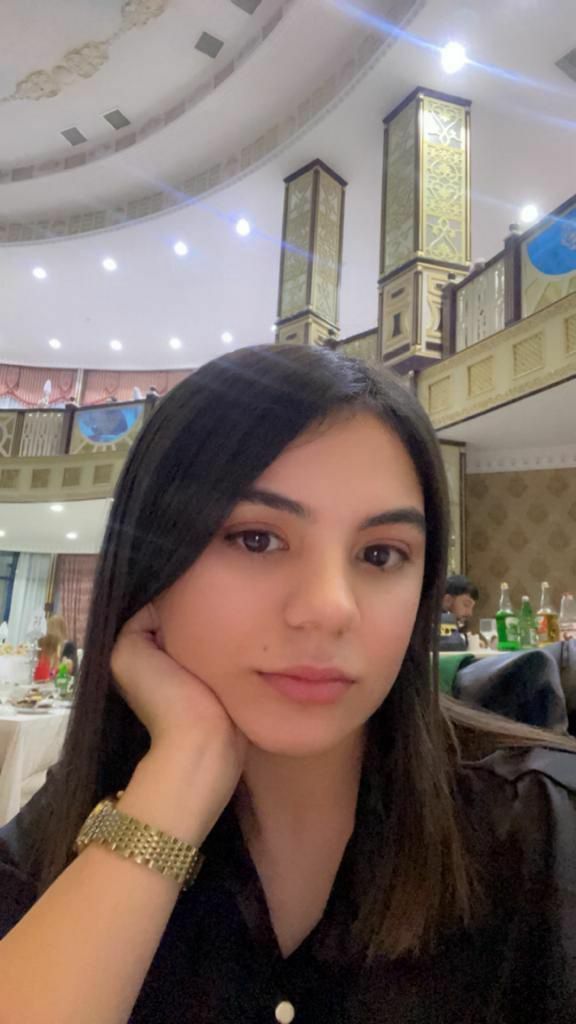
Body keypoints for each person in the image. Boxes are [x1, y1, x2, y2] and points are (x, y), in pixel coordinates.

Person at [0, 345, 575, 1024]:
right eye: (256, 540)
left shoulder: (543, 827)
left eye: (381, 554)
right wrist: (182, 774)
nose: (330, 608)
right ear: (151, 568)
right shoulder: (63, 836)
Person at [439, 574, 479, 650]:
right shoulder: (438, 621)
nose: (470, 613)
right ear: (447, 600)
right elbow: (454, 646)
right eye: (466, 605)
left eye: (472, 608)